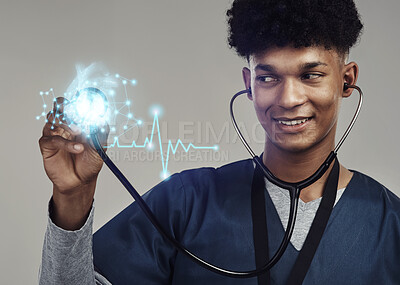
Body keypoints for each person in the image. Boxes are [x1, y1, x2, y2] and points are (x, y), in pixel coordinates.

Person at [39, 0, 400, 284]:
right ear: (248, 84)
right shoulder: (184, 204)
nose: (289, 98)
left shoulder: (392, 225)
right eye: (268, 77)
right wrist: (72, 198)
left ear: (346, 81)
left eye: (311, 74)